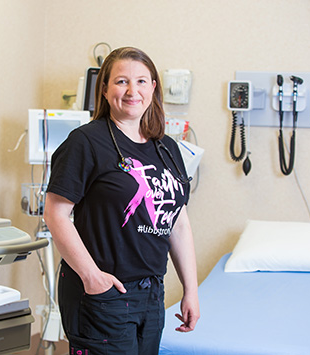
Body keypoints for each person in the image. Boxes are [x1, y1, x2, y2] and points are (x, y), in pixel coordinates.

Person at [43, 46, 199, 355]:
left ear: (154, 88)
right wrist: (91, 276)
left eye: (141, 81)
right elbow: (55, 214)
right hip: (104, 292)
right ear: (104, 89)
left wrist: (190, 290)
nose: (132, 91)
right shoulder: (86, 142)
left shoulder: (167, 148)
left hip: (151, 293)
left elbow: (177, 223)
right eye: (121, 81)